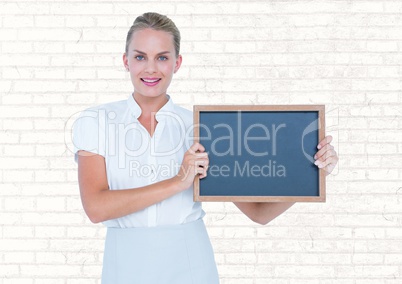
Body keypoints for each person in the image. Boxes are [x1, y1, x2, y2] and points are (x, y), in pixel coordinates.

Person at [72, 12, 338, 284]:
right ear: (125, 61)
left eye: (162, 57)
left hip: (190, 266)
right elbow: (96, 207)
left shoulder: (203, 127)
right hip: (124, 267)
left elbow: (259, 213)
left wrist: (312, 174)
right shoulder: (97, 122)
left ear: (177, 63)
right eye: (140, 57)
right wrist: (178, 181)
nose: (151, 68)